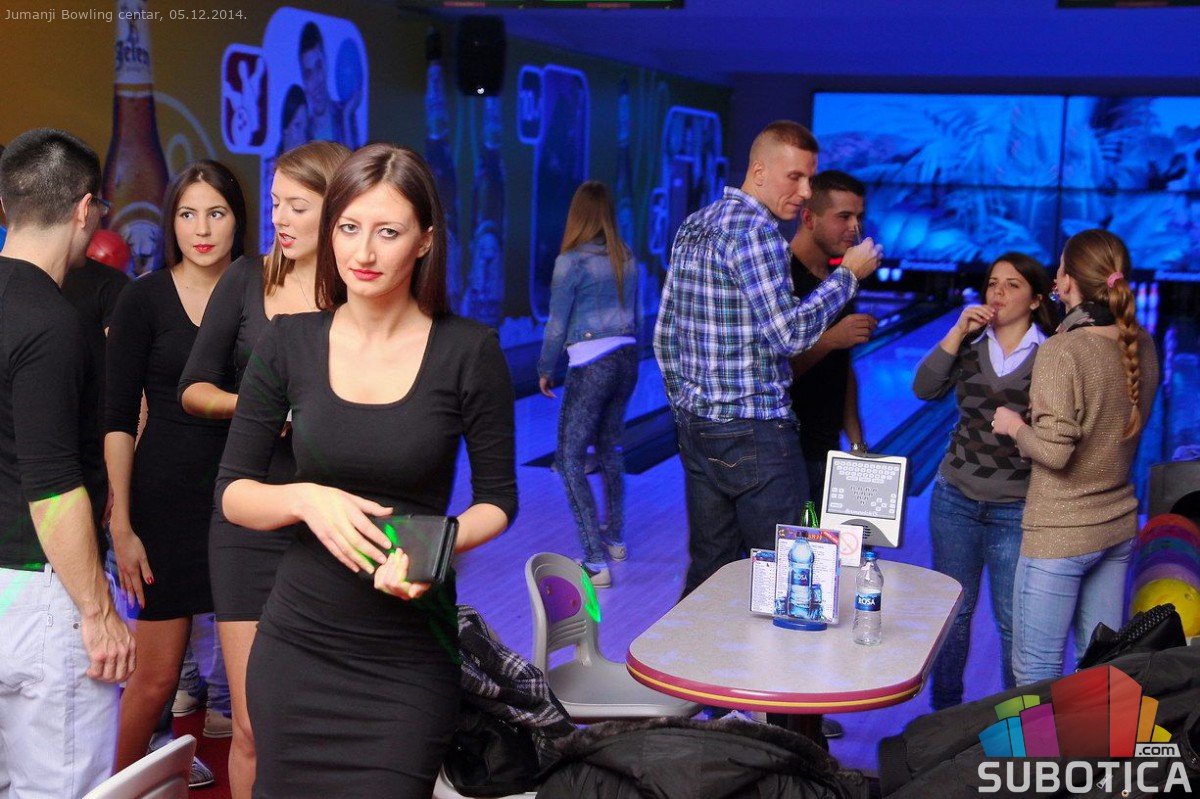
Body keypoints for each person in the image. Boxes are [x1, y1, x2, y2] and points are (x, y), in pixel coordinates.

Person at [217, 143, 517, 796]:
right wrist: (305, 498)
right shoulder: (290, 342)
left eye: (388, 231)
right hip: (299, 647)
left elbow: (498, 500)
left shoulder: (468, 351)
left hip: (407, 659)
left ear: (425, 240)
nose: (364, 251)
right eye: (349, 227)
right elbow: (233, 493)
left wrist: (433, 546)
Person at [178, 140, 349, 799]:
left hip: (336, 524)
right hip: (248, 522)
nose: (279, 217)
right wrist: (256, 407)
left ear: (338, 209)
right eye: (275, 202)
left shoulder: (362, 289)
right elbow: (193, 387)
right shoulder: (247, 280)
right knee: (250, 726)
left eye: (296, 205)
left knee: (320, 720)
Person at [653, 120, 881, 597]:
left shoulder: (696, 224)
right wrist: (848, 276)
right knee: (792, 574)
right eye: (794, 177)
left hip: (700, 427)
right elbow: (789, 335)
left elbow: (665, 336)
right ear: (759, 171)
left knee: (711, 568)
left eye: (809, 179)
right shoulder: (758, 234)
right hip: (756, 430)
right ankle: (783, 650)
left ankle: (695, 647)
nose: (805, 192)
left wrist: (688, 411)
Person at [0, 127, 135, 797]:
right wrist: (98, 611)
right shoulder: (51, 323)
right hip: (38, 592)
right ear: (85, 210)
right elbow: (52, 488)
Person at [104, 160, 247, 772]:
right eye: (187, 214)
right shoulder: (143, 298)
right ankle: (119, 784)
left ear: (238, 219)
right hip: (163, 502)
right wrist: (121, 525)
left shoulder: (262, 295)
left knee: (254, 690)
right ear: (171, 222)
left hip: (246, 500)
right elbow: (116, 418)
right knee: (157, 677)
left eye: (216, 213)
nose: (202, 229)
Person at [994, 229, 1160, 684]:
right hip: (1116, 529)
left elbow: (1055, 453)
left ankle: (1042, 742)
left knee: (1036, 674)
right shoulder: (1142, 342)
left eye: (1060, 267)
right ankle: (1093, 738)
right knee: (1100, 674)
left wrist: (1014, 425)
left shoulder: (1063, 350)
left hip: (1059, 536)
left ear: (1066, 281)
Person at [914, 253, 1056, 709]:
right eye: (993, 283)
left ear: (1036, 300)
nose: (998, 292)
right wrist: (957, 331)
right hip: (954, 500)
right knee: (952, 618)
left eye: (1012, 285)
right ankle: (945, 718)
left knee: (1013, 622)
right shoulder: (969, 347)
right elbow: (924, 388)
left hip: (1016, 507)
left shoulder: (1051, 354)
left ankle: (1019, 726)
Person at [537, 181, 640, 588]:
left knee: (568, 459)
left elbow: (557, 323)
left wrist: (545, 367)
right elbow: (636, 316)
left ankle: (595, 563)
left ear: (577, 215)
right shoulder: (626, 257)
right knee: (610, 449)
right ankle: (615, 539)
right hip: (626, 358)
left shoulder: (571, 261)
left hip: (591, 361)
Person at [787, 170, 877, 494]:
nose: (855, 227)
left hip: (826, 450)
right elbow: (768, 372)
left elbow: (842, 368)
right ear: (808, 218)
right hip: (785, 454)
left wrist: (857, 444)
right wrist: (831, 340)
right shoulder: (781, 278)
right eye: (844, 216)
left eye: (859, 217)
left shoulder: (841, 281)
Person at [298, 22, 361, 148]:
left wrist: (346, 118)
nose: (316, 82)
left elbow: (355, 160)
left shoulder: (345, 114)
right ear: (303, 81)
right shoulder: (301, 130)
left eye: (319, 67)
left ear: (326, 64)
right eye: (308, 74)